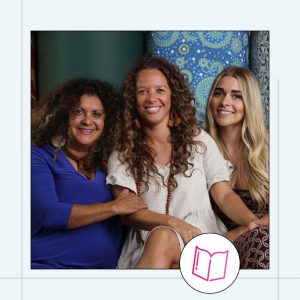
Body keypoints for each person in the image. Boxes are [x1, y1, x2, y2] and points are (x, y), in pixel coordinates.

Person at [106, 56, 266, 269]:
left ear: (173, 95)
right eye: (142, 91)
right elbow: (129, 213)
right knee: (163, 236)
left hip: (203, 244)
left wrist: (250, 222)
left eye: (160, 90)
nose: (151, 98)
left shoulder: (198, 139)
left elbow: (224, 193)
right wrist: (174, 223)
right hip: (150, 247)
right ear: (132, 100)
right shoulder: (122, 152)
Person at [31, 78, 146, 269]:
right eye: (78, 111)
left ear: (106, 122)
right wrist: (114, 207)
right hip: (48, 269)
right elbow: (50, 213)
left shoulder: (109, 164)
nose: (87, 120)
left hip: (100, 279)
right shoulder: (39, 157)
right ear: (63, 116)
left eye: (96, 114)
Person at [206, 66, 269, 269]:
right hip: (221, 244)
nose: (225, 102)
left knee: (263, 240)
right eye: (219, 93)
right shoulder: (200, 147)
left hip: (268, 235)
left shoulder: (271, 144)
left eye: (236, 96)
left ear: (249, 103)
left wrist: (242, 231)